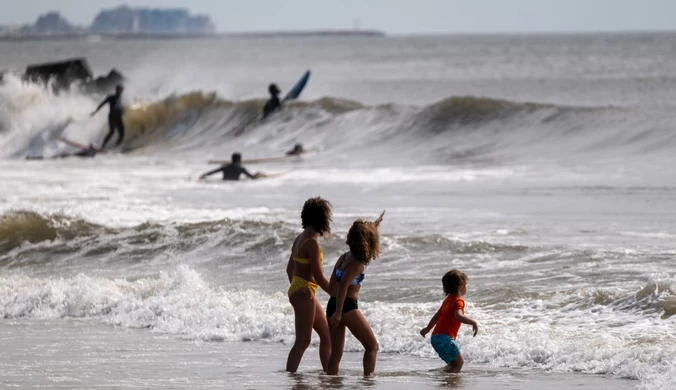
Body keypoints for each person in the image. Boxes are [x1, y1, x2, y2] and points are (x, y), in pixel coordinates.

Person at [326, 211, 385, 377]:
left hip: (332, 304)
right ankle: (368, 382)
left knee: (336, 353)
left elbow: (332, 286)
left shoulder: (343, 257)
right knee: (372, 346)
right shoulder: (357, 263)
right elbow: (344, 285)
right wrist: (339, 313)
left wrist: (376, 224)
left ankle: (331, 384)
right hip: (346, 307)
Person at [286, 197, 333, 373]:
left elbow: (289, 269)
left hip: (300, 289)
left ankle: (329, 373)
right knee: (303, 341)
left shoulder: (300, 238)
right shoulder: (312, 244)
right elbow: (320, 277)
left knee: (326, 335)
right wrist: (335, 294)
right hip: (304, 292)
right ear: (321, 219)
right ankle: (290, 377)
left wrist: (296, 288)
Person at [420, 269, 479, 373]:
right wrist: (473, 322)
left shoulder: (448, 300)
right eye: (466, 284)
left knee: (453, 363)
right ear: (461, 285)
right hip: (444, 339)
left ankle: (439, 373)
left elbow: (437, 315)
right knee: (459, 363)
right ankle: (449, 381)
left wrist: (427, 329)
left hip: (436, 337)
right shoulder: (458, 301)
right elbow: (458, 316)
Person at [91, 84, 125, 149]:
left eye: (121, 89)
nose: (119, 91)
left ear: (122, 90)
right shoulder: (111, 97)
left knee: (122, 134)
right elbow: (102, 104)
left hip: (119, 118)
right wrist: (95, 111)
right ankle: (103, 146)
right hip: (112, 117)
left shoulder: (122, 98)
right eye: (118, 89)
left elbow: (123, 106)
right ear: (116, 90)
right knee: (112, 132)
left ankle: (116, 146)